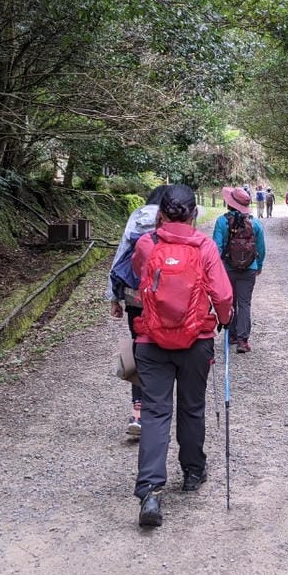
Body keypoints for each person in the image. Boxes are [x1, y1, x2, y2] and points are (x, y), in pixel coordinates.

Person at [130, 185, 233, 528]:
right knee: (192, 408)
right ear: (193, 214)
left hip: (151, 340)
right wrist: (225, 319)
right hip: (196, 339)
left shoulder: (147, 244)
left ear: (161, 213)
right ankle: (192, 471)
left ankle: (150, 491)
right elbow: (222, 293)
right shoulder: (204, 246)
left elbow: (137, 278)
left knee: (156, 412)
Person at [107, 185, 169, 439]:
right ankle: (160, 410)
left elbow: (122, 253)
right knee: (166, 347)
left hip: (135, 295)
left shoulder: (137, 216)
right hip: (164, 295)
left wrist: (114, 297)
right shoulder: (173, 216)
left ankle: (139, 412)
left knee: (138, 346)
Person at [213, 186, 266, 354]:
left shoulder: (222, 222)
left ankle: (233, 335)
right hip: (249, 268)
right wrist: (259, 265)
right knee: (244, 303)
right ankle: (243, 341)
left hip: (228, 269)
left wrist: (216, 269)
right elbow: (261, 248)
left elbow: (216, 247)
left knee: (231, 302)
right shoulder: (255, 223)